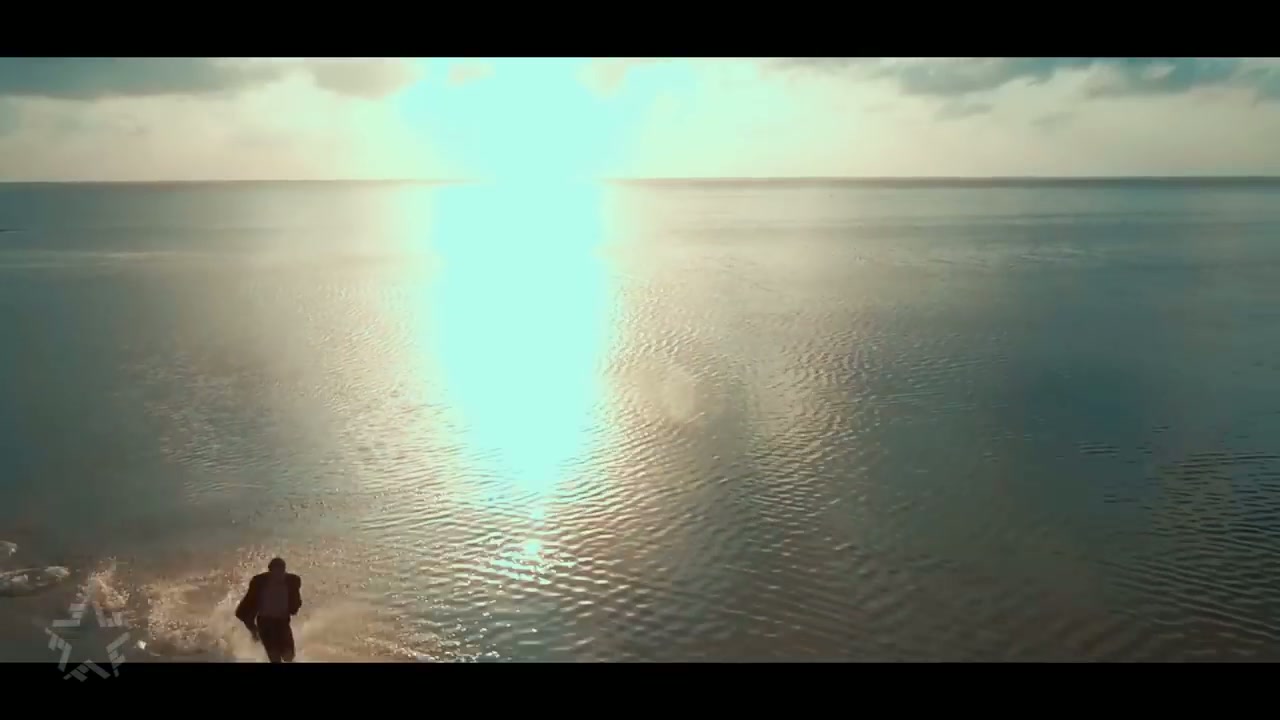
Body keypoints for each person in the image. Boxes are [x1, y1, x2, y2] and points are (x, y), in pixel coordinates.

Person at [235, 557, 302, 663]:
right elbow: (242, 611)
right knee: (275, 658)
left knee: (289, 656)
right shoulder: (259, 582)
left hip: (282, 623)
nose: (278, 575)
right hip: (265, 624)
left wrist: (295, 606)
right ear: (270, 571)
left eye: (281, 571)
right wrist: (253, 629)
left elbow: (296, 603)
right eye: (276, 572)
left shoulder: (292, 581)